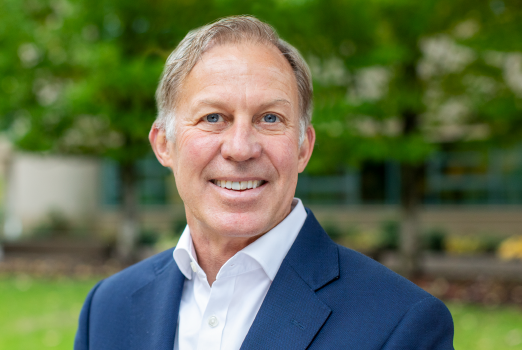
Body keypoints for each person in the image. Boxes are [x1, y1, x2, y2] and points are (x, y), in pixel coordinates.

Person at [75, 15, 454, 350]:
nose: (241, 148)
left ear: (303, 148)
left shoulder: (403, 324)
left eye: (270, 118)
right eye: (212, 117)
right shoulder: (108, 309)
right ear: (164, 145)